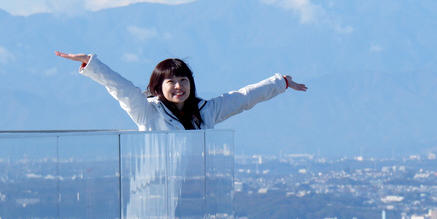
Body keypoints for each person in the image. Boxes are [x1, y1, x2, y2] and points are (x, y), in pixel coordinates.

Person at [55, 52, 306, 131]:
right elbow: (123, 90)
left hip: (196, 191)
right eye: (171, 82)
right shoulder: (148, 112)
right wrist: (92, 64)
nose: (179, 86)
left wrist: (280, 82)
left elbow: (244, 98)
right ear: (157, 87)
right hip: (154, 191)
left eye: (183, 80)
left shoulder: (207, 111)